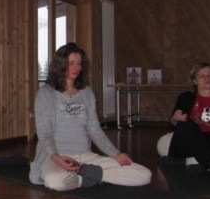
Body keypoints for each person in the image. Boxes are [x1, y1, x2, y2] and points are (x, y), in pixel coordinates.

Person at [30, 42, 152, 190]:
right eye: (71, 63)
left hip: (85, 158)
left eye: (79, 63)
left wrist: (116, 154)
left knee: (143, 174)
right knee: (55, 181)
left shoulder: (86, 93)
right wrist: (56, 156)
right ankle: (87, 178)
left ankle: (85, 173)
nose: (76, 68)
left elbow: (94, 129)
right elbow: (45, 133)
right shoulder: (45, 94)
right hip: (56, 158)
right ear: (60, 65)